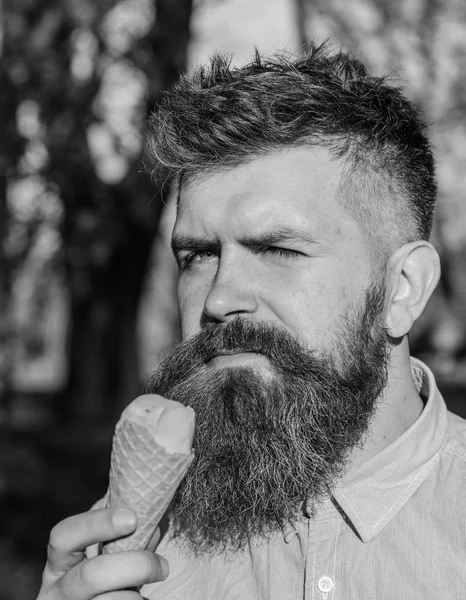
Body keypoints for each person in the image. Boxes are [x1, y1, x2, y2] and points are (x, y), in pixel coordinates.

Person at [37, 43, 466, 600]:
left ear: (403, 288)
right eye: (198, 255)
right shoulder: (137, 545)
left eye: (277, 249)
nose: (219, 297)